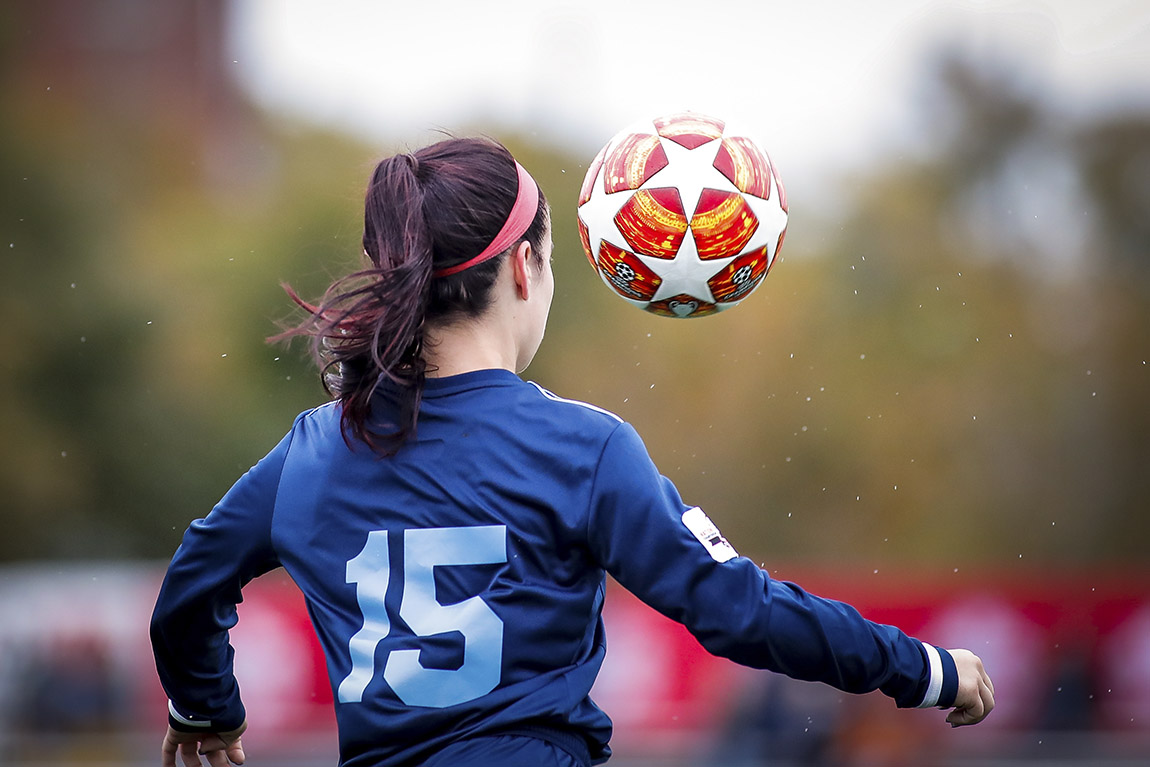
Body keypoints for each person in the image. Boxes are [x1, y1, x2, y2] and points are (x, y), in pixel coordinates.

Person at [150, 137, 994, 767]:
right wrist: (918, 666)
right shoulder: (581, 448)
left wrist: (204, 710)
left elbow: (189, 588)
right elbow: (738, 608)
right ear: (524, 269)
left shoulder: (310, 449)